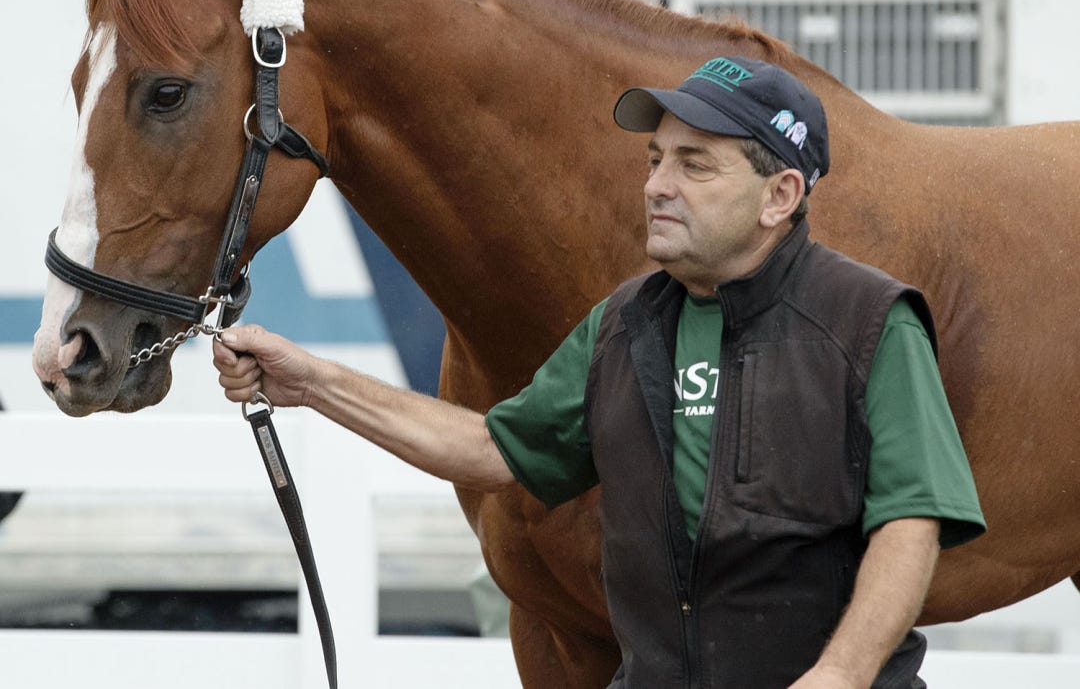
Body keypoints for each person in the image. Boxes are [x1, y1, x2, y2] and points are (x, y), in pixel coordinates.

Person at [214, 55, 985, 689]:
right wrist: (309, 381)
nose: (656, 185)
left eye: (694, 164)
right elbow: (489, 448)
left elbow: (910, 521)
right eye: (655, 160)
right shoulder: (624, 323)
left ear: (779, 196)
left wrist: (841, 675)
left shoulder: (870, 321)